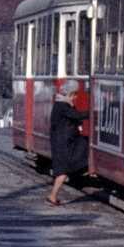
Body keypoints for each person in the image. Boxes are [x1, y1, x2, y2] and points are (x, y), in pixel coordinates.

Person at [46, 79, 90, 207]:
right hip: (62, 143)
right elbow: (75, 115)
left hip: (64, 142)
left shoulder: (61, 104)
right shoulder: (62, 106)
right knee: (63, 171)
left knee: (64, 170)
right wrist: (93, 113)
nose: (76, 97)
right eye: (75, 94)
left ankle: (52, 197)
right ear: (69, 94)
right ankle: (52, 197)